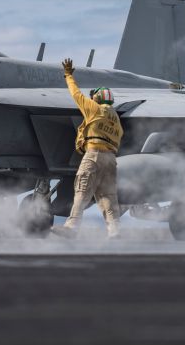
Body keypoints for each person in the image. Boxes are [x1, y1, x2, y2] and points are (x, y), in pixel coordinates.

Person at [51, 58, 124, 239]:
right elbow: (119, 139)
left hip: (94, 155)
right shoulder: (115, 119)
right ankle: (114, 231)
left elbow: (76, 94)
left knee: (82, 191)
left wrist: (68, 75)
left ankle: (72, 227)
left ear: (98, 98)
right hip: (110, 159)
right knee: (108, 197)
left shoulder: (94, 108)